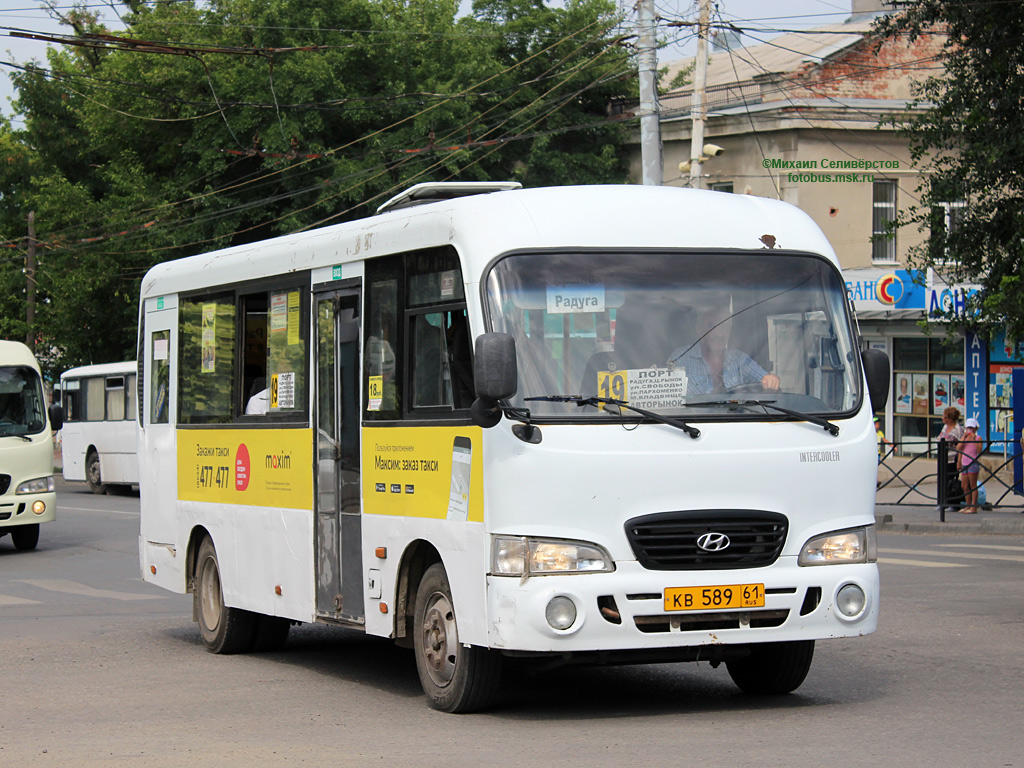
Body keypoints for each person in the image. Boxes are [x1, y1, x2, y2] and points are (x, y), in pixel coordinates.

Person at [669, 304, 780, 395]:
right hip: (690, 420)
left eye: (725, 326)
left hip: (736, 419)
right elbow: (669, 395)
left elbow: (765, 379)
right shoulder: (681, 357)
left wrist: (771, 380)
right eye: (712, 327)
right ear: (699, 329)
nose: (720, 334)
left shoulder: (740, 359)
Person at [937, 406, 963, 511]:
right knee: (942, 480)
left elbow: (961, 445)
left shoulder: (957, 429)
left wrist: (959, 461)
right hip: (943, 458)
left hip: (953, 459)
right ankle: (942, 502)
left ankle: (953, 503)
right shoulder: (944, 427)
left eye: (945, 417)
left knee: (951, 481)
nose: (942, 418)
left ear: (950, 418)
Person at [957, 417, 982, 514]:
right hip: (964, 463)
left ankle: (973, 506)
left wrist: (973, 439)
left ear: (975, 429)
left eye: (972, 428)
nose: (970, 430)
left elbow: (979, 450)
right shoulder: (964, 438)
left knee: (973, 485)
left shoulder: (978, 438)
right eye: (968, 428)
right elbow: (959, 448)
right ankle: (968, 505)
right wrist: (964, 437)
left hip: (973, 463)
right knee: (964, 485)